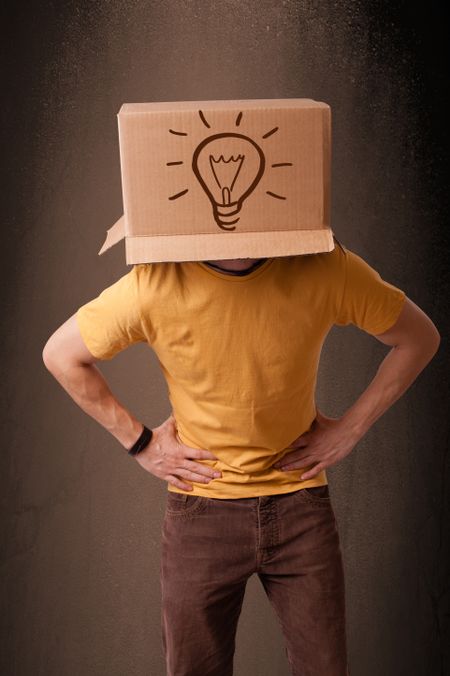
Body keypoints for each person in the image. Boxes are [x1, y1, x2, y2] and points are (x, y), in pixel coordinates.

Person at [42, 237, 440, 676]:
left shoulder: (324, 266)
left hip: (300, 506)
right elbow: (61, 355)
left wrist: (351, 428)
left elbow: (419, 337)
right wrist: (141, 443)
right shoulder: (156, 282)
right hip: (200, 511)